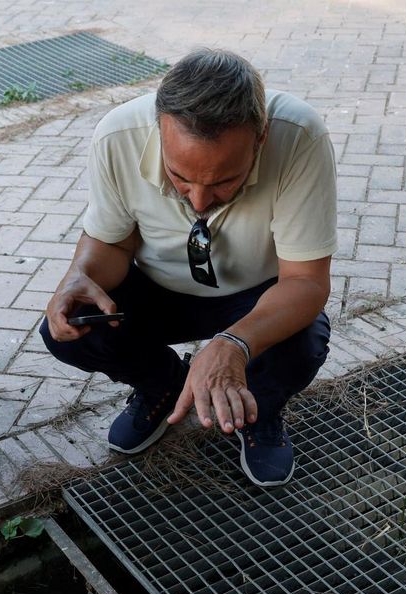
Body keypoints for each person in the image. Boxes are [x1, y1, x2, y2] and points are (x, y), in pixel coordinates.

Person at [41, 49, 336, 487]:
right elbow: (112, 242)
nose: (199, 201)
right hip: (158, 287)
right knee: (72, 328)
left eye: (224, 181)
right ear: (159, 129)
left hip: (258, 294)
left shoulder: (300, 137)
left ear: (261, 137)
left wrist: (235, 344)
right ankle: (162, 384)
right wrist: (80, 274)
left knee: (304, 341)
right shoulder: (117, 135)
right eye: (180, 176)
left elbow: (306, 281)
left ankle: (260, 410)